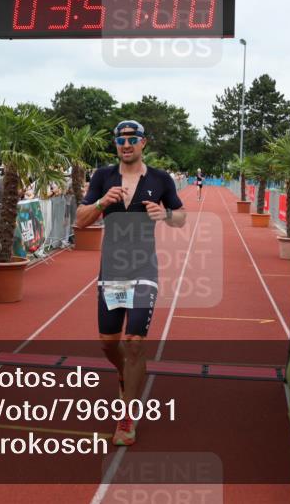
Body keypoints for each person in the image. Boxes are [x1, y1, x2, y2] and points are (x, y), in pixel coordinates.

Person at [75, 119, 186, 446]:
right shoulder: (103, 177)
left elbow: (181, 217)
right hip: (112, 271)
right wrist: (101, 203)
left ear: (143, 143)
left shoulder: (160, 179)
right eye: (120, 139)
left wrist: (163, 214)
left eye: (132, 139)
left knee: (135, 341)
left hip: (144, 270)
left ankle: (127, 417)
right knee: (109, 342)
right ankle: (126, 373)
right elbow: (80, 221)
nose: (126, 144)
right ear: (116, 144)